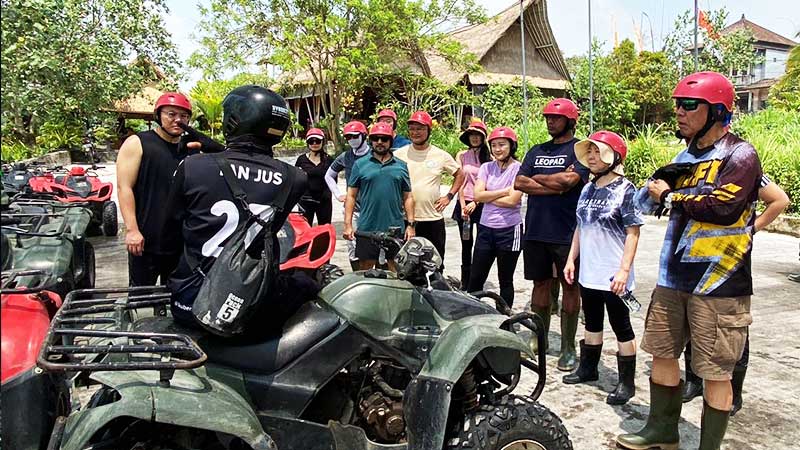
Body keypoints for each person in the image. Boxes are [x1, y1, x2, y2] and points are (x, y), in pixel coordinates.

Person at [617, 71, 762, 450]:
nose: (678, 112)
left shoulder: (740, 154)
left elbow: (724, 206)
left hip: (719, 283)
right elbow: (641, 203)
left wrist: (669, 197)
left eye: (688, 105)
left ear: (715, 111)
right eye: (677, 104)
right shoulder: (683, 157)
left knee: (715, 371)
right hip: (673, 278)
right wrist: (651, 193)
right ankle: (661, 429)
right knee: (662, 352)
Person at [163, 85, 308, 329]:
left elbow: (167, 232)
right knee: (308, 285)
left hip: (190, 301)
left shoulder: (194, 167)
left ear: (232, 122)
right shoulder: (295, 178)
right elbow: (253, 168)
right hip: (250, 306)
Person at [682, 175, 790, 415]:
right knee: (693, 321)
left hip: (730, 263)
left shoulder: (744, 168)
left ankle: (735, 391)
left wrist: (750, 229)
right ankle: (693, 381)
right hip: (695, 257)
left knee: (733, 328)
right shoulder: (697, 166)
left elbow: (780, 200)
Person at [562, 131, 643, 406]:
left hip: (613, 274)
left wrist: (623, 271)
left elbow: (633, 233)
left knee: (621, 326)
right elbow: (579, 227)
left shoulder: (625, 189)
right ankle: (588, 368)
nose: (592, 157)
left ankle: (626, 383)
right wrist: (572, 259)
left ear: (613, 156)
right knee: (593, 321)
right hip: (589, 271)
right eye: (590, 152)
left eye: (598, 152)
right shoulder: (587, 188)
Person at [514, 98, 589, 371]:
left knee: (570, 287)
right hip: (535, 230)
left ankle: (568, 346)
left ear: (570, 121)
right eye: (547, 118)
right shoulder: (536, 150)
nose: (550, 122)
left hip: (567, 232)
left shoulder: (580, 150)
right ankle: (539, 338)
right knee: (540, 285)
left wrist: (550, 181)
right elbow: (519, 182)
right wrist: (556, 184)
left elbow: (571, 182)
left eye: (555, 118)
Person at [117, 92, 193, 287]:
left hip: (179, 242)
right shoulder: (138, 143)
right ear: (159, 115)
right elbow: (124, 188)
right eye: (171, 114)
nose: (178, 120)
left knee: (176, 297)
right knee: (140, 297)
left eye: (183, 116)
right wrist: (132, 230)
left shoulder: (190, 149)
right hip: (144, 240)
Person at [343, 122, 415, 270]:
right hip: (367, 227)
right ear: (371, 140)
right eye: (376, 139)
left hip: (394, 228)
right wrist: (348, 225)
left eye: (384, 139)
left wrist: (411, 225)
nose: (380, 142)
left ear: (391, 141)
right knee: (366, 272)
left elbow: (408, 197)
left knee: (395, 272)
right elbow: (351, 196)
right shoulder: (360, 164)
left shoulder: (401, 166)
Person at [394, 110, 464, 260]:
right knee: (405, 265)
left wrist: (449, 196)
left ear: (428, 131)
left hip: (432, 219)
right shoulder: (398, 154)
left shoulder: (440, 155)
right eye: (412, 129)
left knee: (435, 264)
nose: (415, 132)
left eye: (420, 128)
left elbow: (460, 174)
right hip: (405, 220)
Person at [466, 126, 523, 308]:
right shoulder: (486, 167)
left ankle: (504, 320)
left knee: (505, 279)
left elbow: (513, 201)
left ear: (511, 146)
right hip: (486, 228)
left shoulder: (519, 169)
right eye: (494, 145)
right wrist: (504, 191)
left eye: (502, 145)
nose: (498, 149)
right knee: (476, 277)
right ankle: (471, 314)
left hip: (509, 229)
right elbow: (477, 196)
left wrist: (488, 196)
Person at [325, 120, 371, 271]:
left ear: (364, 135)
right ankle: (357, 276)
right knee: (354, 248)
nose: (351, 139)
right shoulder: (345, 157)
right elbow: (329, 176)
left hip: (373, 210)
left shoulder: (374, 154)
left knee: (377, 248)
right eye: (348, 137)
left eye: (354, 136)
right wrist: (338, 194)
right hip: (354, 210)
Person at [453, 120, 491, 289]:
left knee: (482, 245)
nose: (474, 138)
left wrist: (476, 202)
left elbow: (489, 182)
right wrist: (463, 205)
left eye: (478, 135)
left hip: (481, 204)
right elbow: (459, 180)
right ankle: (465, 281)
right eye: (472, 135)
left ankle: (477, 281)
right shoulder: (461, 155)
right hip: (463, 204)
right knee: (466, 243)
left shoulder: (489, 158)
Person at [295, 128, 333, 225]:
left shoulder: (329, 160)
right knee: (304, 229)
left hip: (324, 201)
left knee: (325, 229)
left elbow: (333, 180)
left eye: (318, 141)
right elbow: (297, 179)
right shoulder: (301, 160)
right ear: (308, 143)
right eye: (311, 141)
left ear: (322, 142)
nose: (315, 143)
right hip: (305, 200)